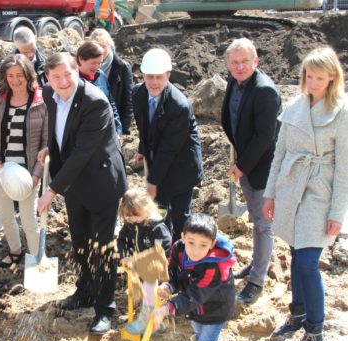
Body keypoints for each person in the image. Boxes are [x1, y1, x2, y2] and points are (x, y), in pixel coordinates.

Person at [262, 47, 348, 341]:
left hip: (320, 193)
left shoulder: (341, 112)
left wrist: (337, 212)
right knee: (296, 256)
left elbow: (344, 170)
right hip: (290, 188)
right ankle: (297, 313)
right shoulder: (295, 107)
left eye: (320, 78)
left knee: (309, 263)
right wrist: (270, 194)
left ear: (332, 78)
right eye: (309, 76)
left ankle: (315, 330)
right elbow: (279, 155)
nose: (313, 83)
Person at [37, 52, 127, 334]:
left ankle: (105, 307)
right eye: (56, 77)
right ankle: (85, 290)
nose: (63, 82)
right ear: (48, 78)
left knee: (102, 247)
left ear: (77, 70)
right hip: (74, 183)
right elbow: (61, 131)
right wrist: (51, 147)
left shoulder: (95, 101)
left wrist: (51, 190)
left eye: (68, 74)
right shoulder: (50, 94)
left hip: (101, 182)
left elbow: (83, 152)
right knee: (79, 242)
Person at [221, 38, 281, 305]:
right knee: (257, 221)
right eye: (234, 62)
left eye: (245, 61)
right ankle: (257, 263)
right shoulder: (236, 81)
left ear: (256, 61)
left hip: (261, 168)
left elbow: (265, 137)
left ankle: (257, 280)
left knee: (263, 224)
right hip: (245, 162)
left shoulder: (265, 91)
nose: (239, 66)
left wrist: (241, 166)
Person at [132, 48, 204, 240]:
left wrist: (153, 182)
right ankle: (164, 249)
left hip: (182, 164)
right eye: (150, 77)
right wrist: (142, 148)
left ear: (168, 76)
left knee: (180, 214)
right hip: (160, 161)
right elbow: (144, 126)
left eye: (159, 77)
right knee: (161, 211)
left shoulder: (179, 105)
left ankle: (182, 253)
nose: (154, 82)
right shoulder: (138, 95)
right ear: (143, 75)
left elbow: (169, 148)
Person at [0, 54, 48, 268]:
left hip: (27, 171)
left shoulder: (41, 101)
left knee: (29, 220)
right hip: (2, 169)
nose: (15, 80)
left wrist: (37, 173)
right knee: (6, 215)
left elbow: (46, 142)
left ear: (28, 75)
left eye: (19, 75)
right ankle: (14, 251)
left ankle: (38, 261)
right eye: (10, 75)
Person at [150, 214, 236, 341]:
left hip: (216, 310)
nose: (196, 250)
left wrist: (168, 308)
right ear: (183, 238)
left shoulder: (213, 266)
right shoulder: (178, 249)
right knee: (198, 332)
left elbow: (195, 295)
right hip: (195, 309)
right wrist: (168, 286)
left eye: (203, 245)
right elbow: (173, 273)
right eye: (191, 242)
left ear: (212, 244)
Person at [117, 188, 172, 334]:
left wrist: (144, 260)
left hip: (158, 266)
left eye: (136, 216)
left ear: (147, 208)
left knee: (151, 289)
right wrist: (124, 255)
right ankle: (157, 323)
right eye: (128, 217)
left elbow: (163, 248)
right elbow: (122, 239)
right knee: (146, 290)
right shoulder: (130, 224)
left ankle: (145, 320)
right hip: (139, 265)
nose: (133, 220)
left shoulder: (156, 227)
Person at [89, 29, 134, 135]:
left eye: (103, 46)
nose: (100, 50)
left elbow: (127, 100)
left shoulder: (122, 67)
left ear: (109, 45)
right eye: (97, 46)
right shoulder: (86, 66)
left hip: (113, 123)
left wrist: (124, 130)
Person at [76, 40, 122, 136]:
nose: (97, 67)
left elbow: (110, 103)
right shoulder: (73, 82)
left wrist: (118, 129)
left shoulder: (101, 75)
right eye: (93, 63)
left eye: (100, 63)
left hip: (106, 133)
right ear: (80, 59)